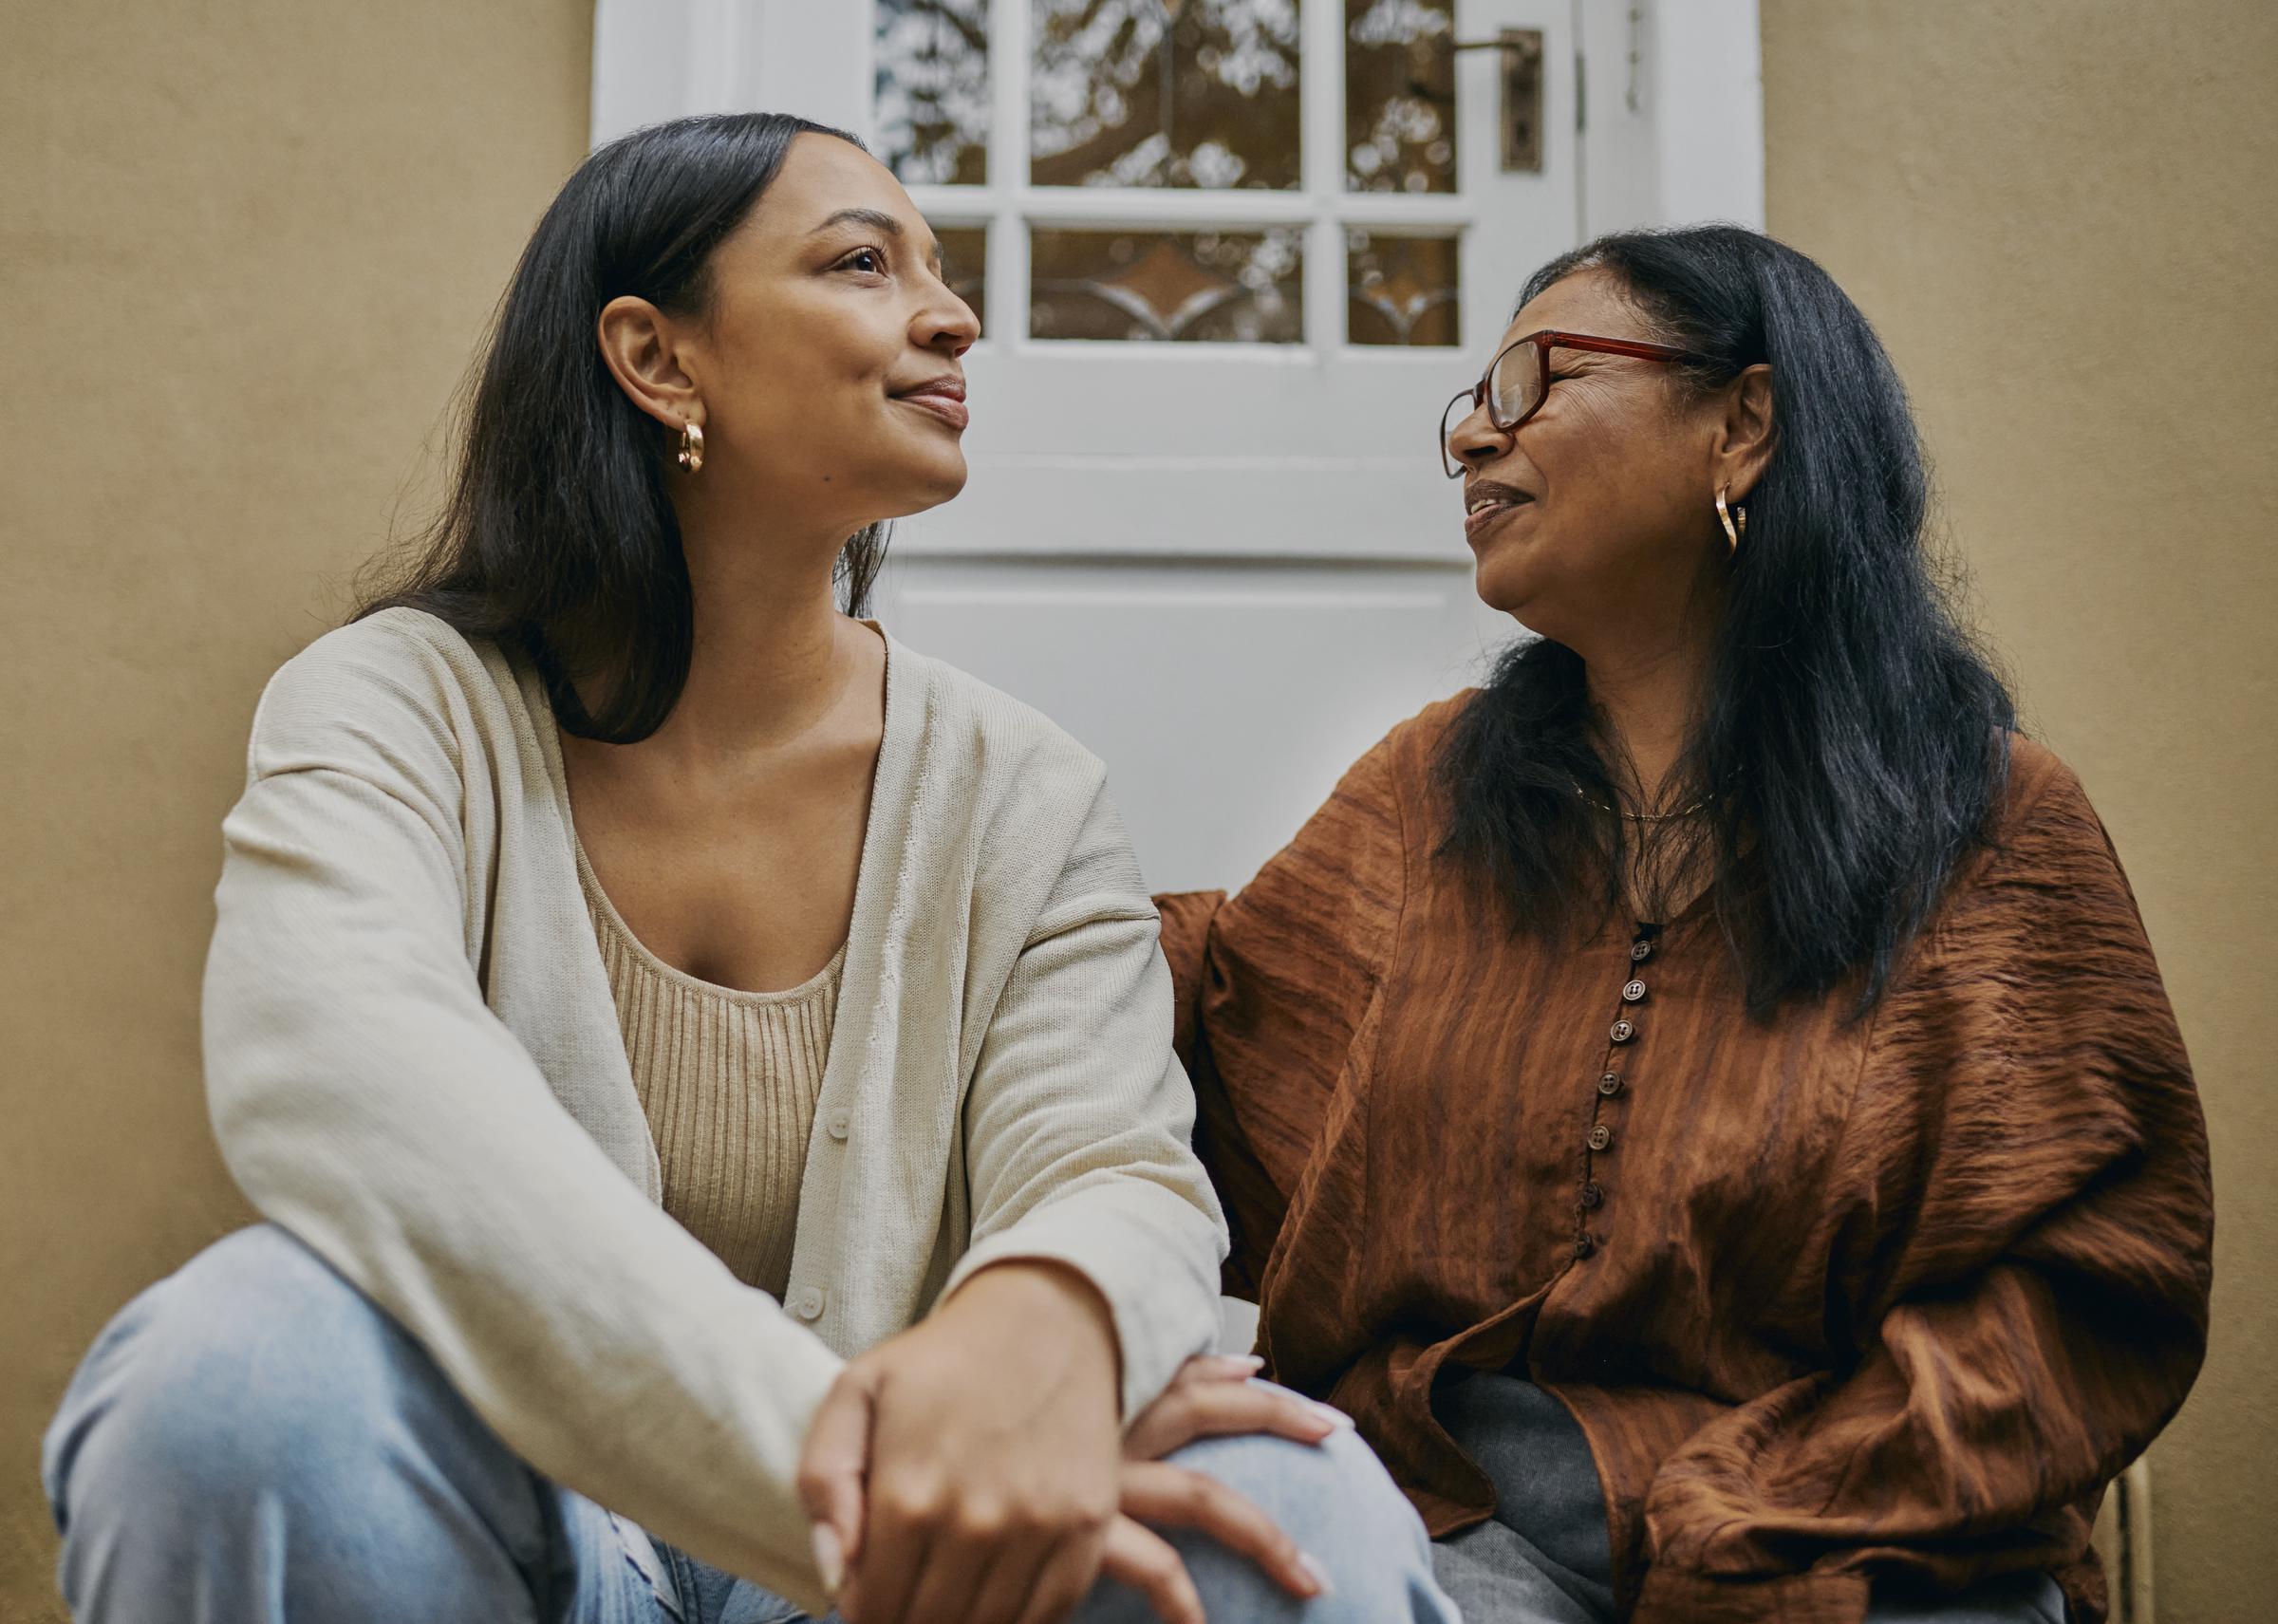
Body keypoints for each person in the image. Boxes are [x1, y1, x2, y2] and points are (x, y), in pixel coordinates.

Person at [40, 113, 1457, 1624]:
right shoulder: (398, 706)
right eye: (862, 262)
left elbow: (1111, 1170)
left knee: (1291, 1500)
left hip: (915, 1564)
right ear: (659, 361)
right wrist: (832, 1464)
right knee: (240, 1369)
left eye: (941, 268)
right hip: (594, 1520)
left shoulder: (1023, 793)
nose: (954, 313)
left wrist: (1048, 1336)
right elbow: (338, 1077)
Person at [1156, 225, 2213, 1624]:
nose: (1474, 435)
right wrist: (929, 846)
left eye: (1534, 376)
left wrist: (1751, 1523)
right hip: (1444, 1522)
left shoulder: (1989, 821)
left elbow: (2094, 1275)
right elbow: (1208, 1018)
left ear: (1745, 424)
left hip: (1865, 1539)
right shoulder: (1428, 792)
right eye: (1468, 403)